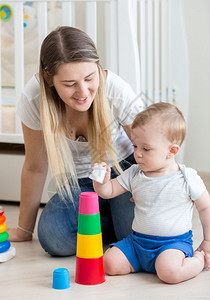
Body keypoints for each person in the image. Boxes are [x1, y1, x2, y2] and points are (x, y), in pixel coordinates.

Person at [7, 26, 145, 256]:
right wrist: (24, 230)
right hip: (82, 182)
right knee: (53, 237)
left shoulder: (115, 89)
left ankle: (110, 222)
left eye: (89, 78)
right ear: (48, 79)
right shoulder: (34, 99)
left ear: (98, 68)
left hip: (125, 173)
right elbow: (34, 166)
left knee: (136, 235)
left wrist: (151, 192)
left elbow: (150, 148)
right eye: (70, 84)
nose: (83, 92)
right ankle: (110, 221)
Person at [92, 102, 210, 284]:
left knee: (169, 272)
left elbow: (205, 208)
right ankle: (142, 263)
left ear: (171, 151)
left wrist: (207, 241)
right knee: (109, 263)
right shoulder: (134, 173)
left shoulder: (187, 178)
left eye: (145, 149)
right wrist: (101, 182)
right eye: (135, 146)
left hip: (173, 245)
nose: (137, 154)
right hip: (138, 242)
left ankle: (197, 261)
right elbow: (109, 191)